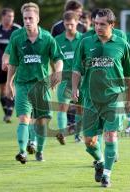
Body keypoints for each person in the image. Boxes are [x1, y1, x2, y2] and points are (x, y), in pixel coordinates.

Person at [72, 8, 130, 187]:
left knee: (110, 135)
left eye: (102, 24)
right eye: (96, 23)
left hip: (114, 98)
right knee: (89, 141)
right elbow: (77, 68)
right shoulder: (85, 42)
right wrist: (75, 88)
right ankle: (99, 161)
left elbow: (129, 75)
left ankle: (107, 174)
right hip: (90, 98)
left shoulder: (122, 44)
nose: (98, 27)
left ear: (112, 25)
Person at [6, 2, 63, 164]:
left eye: (31, 18)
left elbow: (58, 58)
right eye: (25, 18)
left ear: (37, 18)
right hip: (22, 84)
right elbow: (13, 63)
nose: (27, 21)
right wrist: (9, 83)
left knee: (42, 121)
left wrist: (57, 72)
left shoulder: (47, 38)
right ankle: (22, 152)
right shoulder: (17, 37)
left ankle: (39, 150)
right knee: (24, 118)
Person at [0, 8, 21, 123]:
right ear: (3, 17)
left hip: (14, 63)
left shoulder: (17, 29)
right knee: (2, 89)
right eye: (8, 16)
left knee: (11, 85)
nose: (11, 18)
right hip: (0, 63)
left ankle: (9, 112)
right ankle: (6, 110)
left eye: (12, 16)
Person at [55, 11, 83, 144]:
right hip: (65, 79)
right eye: (66, 25)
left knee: (79, 108)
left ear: (77, 23)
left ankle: (78, 135)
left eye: (72, 24)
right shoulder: (57, 40)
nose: (69, 27)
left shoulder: (84, 39)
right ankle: (62, 132)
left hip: (81, 79)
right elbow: (53, 59)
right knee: (62, 106)